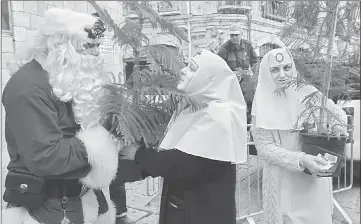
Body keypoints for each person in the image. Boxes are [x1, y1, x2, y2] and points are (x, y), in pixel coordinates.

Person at [2, 8, 122, 224]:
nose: (96, 54)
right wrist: (104, 143)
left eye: (97, 46)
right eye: (88, 46)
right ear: (60, 46)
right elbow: (46, 157)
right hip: (47, 208)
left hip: (81, 197)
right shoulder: (28, 87)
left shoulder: (67, 78)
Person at [120, 49, 248, 224]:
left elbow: (181, 163)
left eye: (193, 68)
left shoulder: (218, 114)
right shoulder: (193, 106)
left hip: (201, 214)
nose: (182, 70)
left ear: (208, 78)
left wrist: (138, 154)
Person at [250, 48, 349, 224]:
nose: (282, 75)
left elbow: (337, 113)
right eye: (275, 69)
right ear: (266, 72)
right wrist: (301, 160)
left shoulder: (307, 92)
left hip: (314, 182)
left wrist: (338, 127)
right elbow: (264, 147)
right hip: (283, 183)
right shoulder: (262, 103)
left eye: (287, 67)